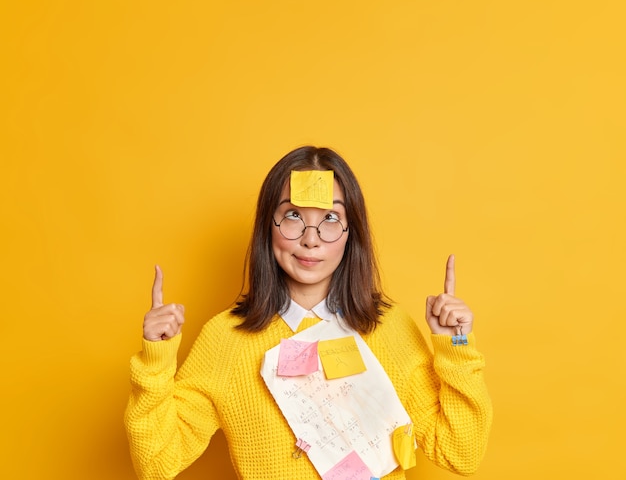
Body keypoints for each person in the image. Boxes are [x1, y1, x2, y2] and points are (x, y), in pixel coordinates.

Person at [124, 146, 492, 480]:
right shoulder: (226, 340)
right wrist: (156, 361)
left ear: (353, 233)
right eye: (294, 215)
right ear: (267, 227)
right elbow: (157, 464)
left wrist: (455, 345)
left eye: (331, 218)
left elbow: (460, 453)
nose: (311, 238)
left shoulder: (390, 330)